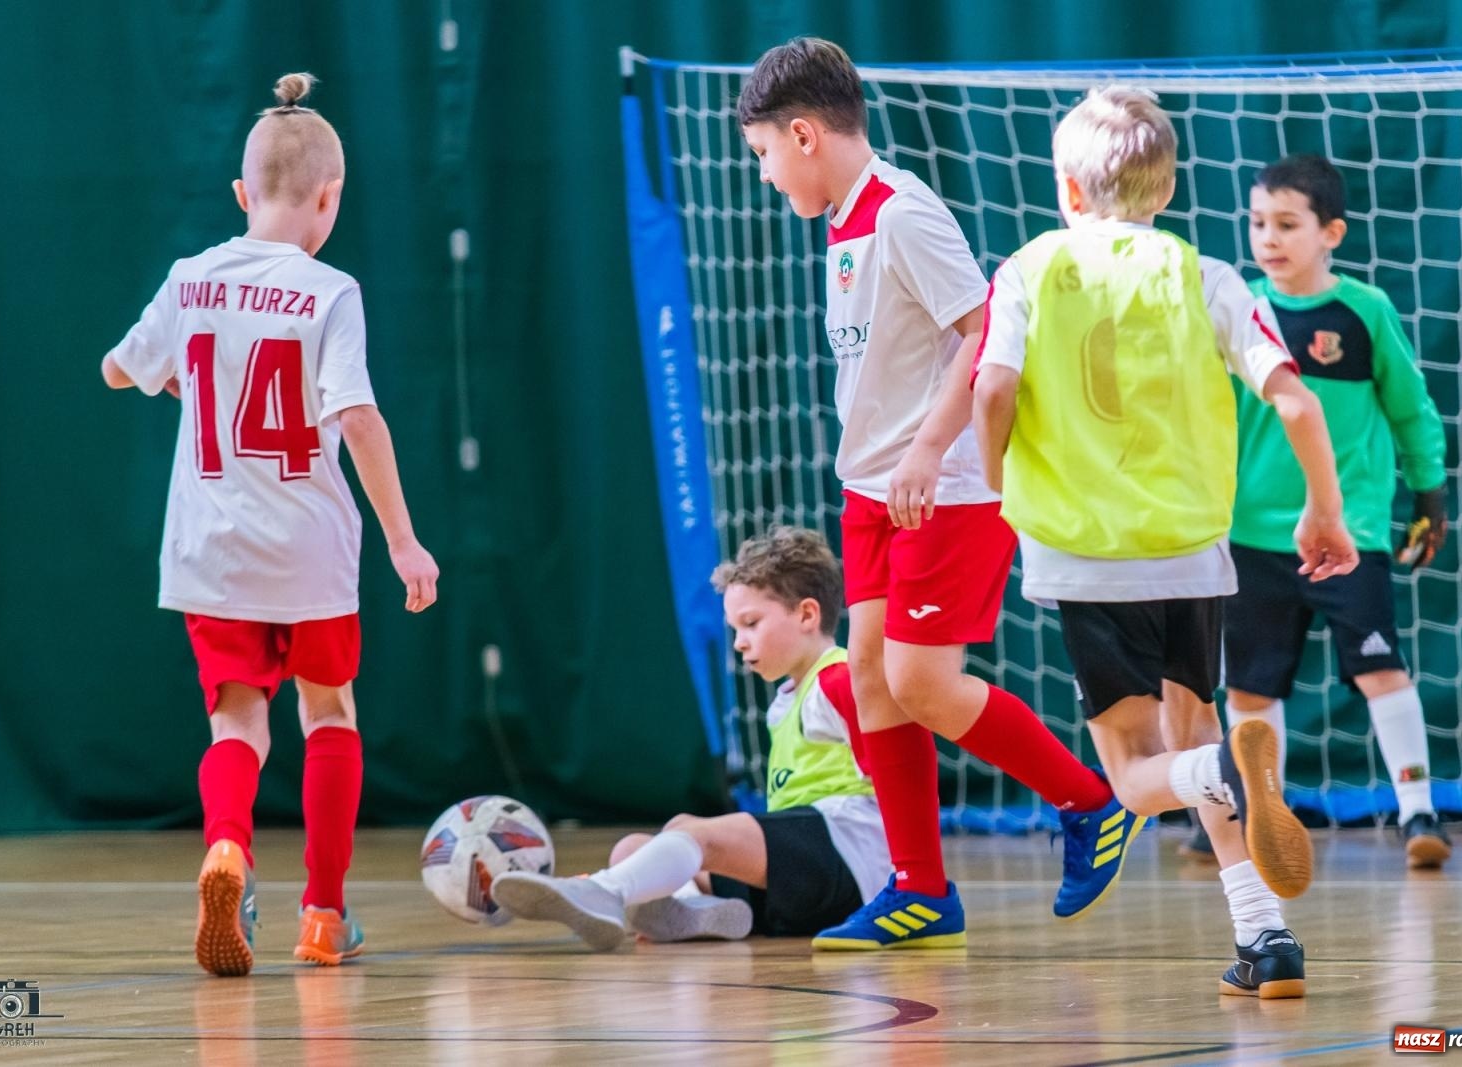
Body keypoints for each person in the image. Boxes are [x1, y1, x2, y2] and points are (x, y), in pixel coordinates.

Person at [735, 38, 1138, 952]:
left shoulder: (904, 211)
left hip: (943, 486)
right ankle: (919, 888)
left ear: (804, 135)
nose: (764, 175)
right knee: (872, 682)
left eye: (764, 153)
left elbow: (982, 329)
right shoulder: (844, 217)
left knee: (920, 680)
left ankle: (1091, 802)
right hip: (872, 487)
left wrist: (924, 449)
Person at [972, 87, 1360, 998]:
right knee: (1197, 732)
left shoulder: (1027, 268)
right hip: (1191, 551)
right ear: (1169, 187)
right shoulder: (1207, 274)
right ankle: (1266, 937)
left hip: (1085, 554)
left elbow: (991, 391)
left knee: (1139, 777)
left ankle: (1224, 769)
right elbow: (1296, 402)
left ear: (1070, 188)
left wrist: (996, 485)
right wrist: (1324, 511)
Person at [101, 73, 439, 976]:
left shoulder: (190, 278)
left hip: (211, 551)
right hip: (310, 550)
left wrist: (174, 375)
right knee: (329, 711)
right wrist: (403, 540)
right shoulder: (330, 290)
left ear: (241, 194)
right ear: (331, 197)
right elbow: (356, 416)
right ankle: (324, 913)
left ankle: (227, 846)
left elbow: (118, 370)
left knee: (236, 726)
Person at [1210, 153, 1450, 869]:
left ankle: (1418, 810)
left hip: (1351, 531)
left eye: (1288, 224)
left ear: (1331, 233)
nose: (1269, 238)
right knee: (1250, 686)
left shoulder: (1366, 311)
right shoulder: (1239, 310)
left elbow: (1411, 408)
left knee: (1382, 670)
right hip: (1252, 534)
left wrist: (1429, 492)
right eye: (1258, 223)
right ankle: (1260, 813)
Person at [491, 527, 892, 950]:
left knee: (687, 831)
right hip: (805, 878)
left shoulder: (838, 680)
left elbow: (896, 774)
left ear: (807, 615)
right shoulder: (787, 700)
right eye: (735, 629)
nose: (739, 643)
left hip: (852, 859)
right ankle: (694, 911)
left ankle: (604, 891)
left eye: (751, 624)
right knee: (632, 849)